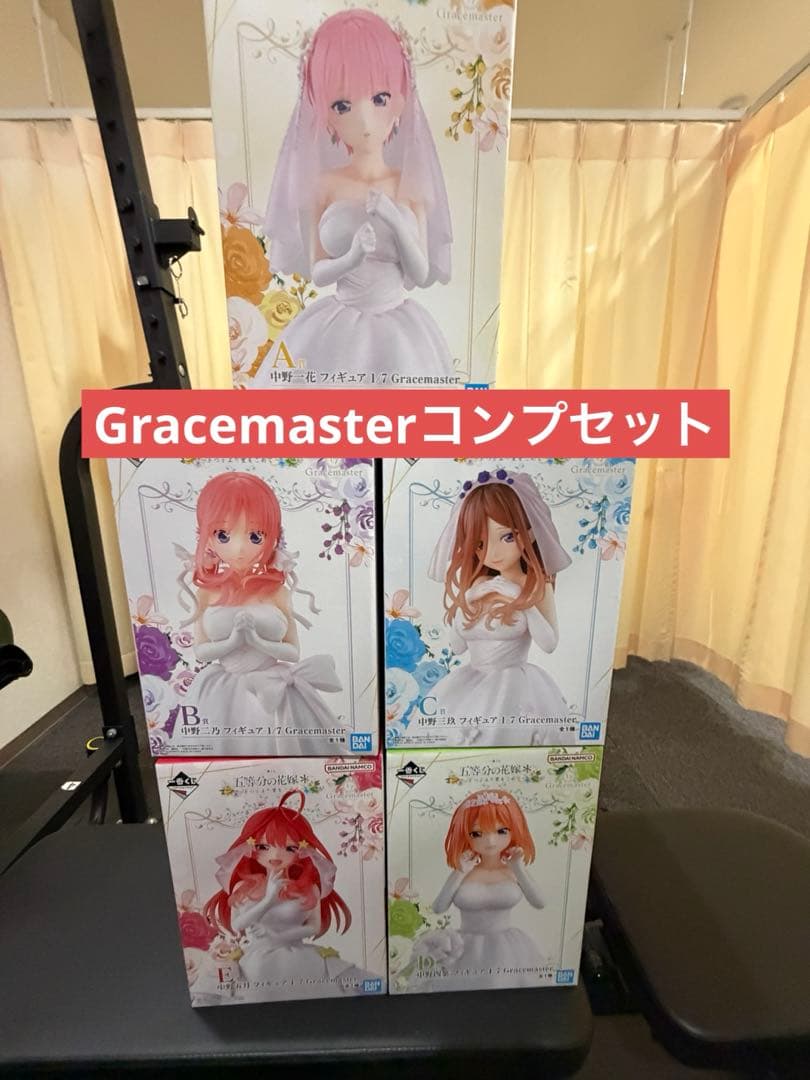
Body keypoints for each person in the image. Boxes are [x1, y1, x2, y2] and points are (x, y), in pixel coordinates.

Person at [253, 8, 455, 385]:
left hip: (401, 336)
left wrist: (395, 220)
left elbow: (419, 274)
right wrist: (352, 256)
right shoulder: (323, 186)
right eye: (343, 106)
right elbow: (319, 273)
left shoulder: (410, 183)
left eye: (379, 98)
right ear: (325, 114)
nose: (363, 121)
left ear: (400, 103)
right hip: (335, 330)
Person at [178, 471, 344, 754]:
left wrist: (256, 640)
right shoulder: (207, 591)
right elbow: (201, 652)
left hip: (274, 686)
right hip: (220, 692)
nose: (240, 548)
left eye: (255, 536)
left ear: (273, 537)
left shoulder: (276, 590)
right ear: (206, 535)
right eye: (223, 535)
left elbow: (293, 652)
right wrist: (234, 640)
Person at [427, 469, 573, 745]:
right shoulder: (480, 584)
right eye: (480, 543)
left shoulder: (536, 586)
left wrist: (520, 599)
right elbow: (457, 646)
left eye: (506, 537)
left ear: (530, 534)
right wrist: (469, 598)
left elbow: (549, 643)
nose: (492, 553)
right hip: (469, 684)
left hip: (516, 688)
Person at [203, 791, 365, 999]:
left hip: (299, 955)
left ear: (302, 852)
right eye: (263, 847)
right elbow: (238, 925)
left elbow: (314, 926)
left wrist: (280, 937)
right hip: (256, 959)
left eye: (290, 848)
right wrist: (268, 899)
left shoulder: (309, 888)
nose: (275, 855)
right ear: (251, 848)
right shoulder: (243, 887)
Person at [415, 789, 546, 991]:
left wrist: (518, 868)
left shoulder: (512, 870)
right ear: (465, 834)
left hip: (509, 950)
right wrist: (459, 872)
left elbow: (540, 902)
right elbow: (438, 908)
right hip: (464, 948)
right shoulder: (464, 872)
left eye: (501, 831)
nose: (490, 841)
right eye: (477, 833)